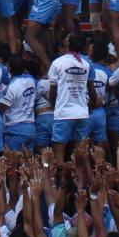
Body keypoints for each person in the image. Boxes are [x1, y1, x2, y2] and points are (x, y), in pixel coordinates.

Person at [47, 31, 93, 159]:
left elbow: (52, 91)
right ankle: (78, 178)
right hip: (82, 113)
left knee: (58, 155)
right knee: (79, 156)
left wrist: (54, 105)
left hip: (64, 113)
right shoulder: (86, 64)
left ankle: (60, 178)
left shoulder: (58, 63)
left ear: (67, 43)